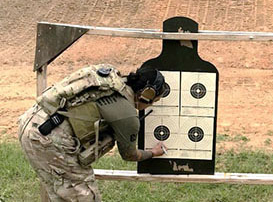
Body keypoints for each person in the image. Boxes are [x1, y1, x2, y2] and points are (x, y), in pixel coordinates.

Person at [18, 64, 167, 201]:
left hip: (33, 121)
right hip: (48, 140)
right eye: (154, 100)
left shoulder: (111, 79)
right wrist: (153, 153)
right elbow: (129, 154)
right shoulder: (128, 116)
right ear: (146, 94)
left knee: (62, 194)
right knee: (84, 197)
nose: (150, 105)